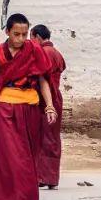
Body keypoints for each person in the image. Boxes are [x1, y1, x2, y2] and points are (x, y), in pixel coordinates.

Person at [0, 13, 57, 200]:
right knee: (12, 157)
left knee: (28, 158)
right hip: (5, 108)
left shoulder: (34, 51)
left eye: (24, 34)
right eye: (16, 34)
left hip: (30, 109)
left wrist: (49, 105)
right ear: (7, 32)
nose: (21, 39)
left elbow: (43, 80)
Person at [31, 24, 66, 190]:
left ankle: (44, 177)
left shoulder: (43, 52)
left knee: (44, 138)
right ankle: (50, 177)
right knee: (52, 137)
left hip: (46, 99)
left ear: (37, 37)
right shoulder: (56, 53)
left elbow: (41, 77)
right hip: (55, 97)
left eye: (31, 37)